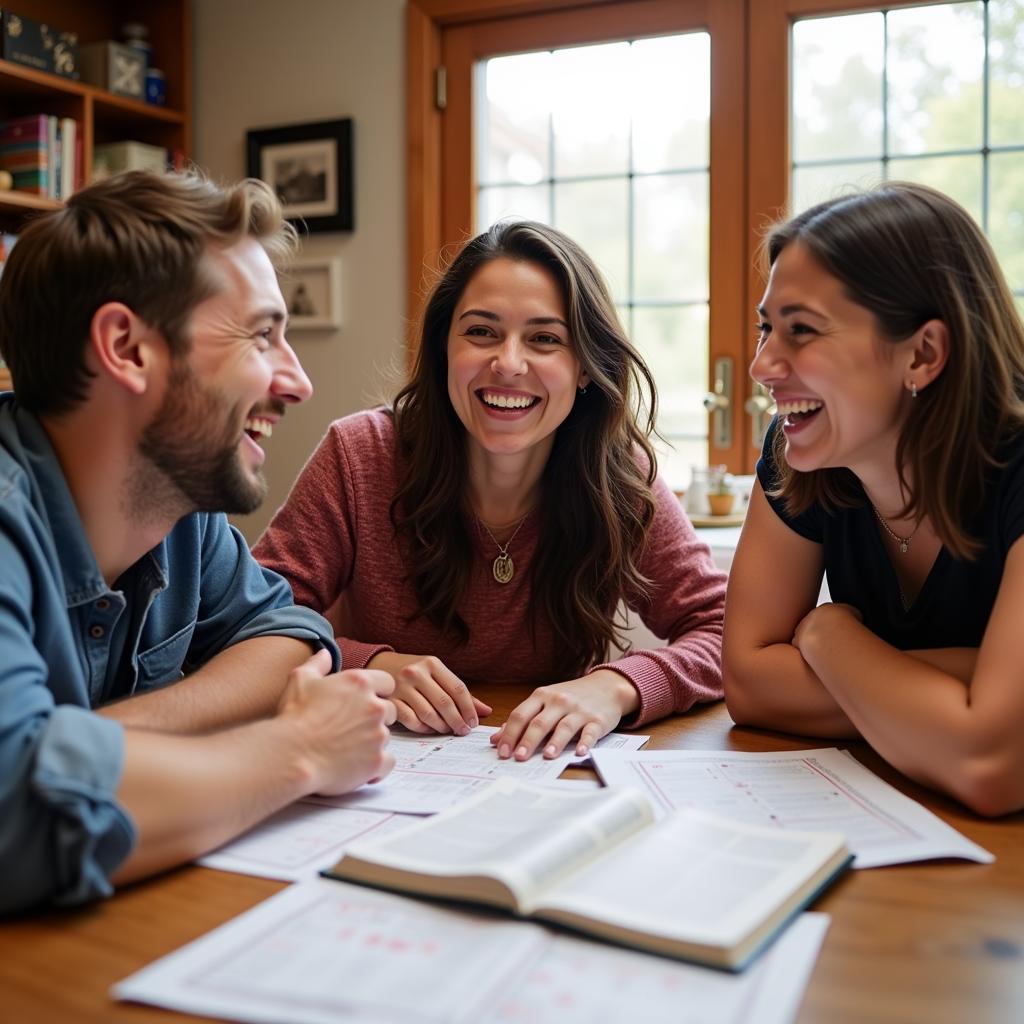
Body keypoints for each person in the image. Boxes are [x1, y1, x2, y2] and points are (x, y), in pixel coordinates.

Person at [0, 170, 395, 916]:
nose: (300, 381)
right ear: (127, 347)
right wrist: (300, 751)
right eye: (262, 334)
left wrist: (104, 735)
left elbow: (290, 632)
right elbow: (15, 809)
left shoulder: (179, 507)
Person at [255, 220, 725, 762]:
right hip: (374, 764)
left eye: (546, 339)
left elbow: (720, 630)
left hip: (541, 769)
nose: (508, 363)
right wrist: (373, 664)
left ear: (585, 370)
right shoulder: (359, 453)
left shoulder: (618, 475)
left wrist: (618, 686)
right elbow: (254, 625)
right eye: (481, 332)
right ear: (442, 348)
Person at [723, 181, 1024, 817]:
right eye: (765, 329)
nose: (761, 366)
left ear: (923, 353)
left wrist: (828, 635)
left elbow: (991, 766)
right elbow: (748, 686)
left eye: (801, 330)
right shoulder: (802, 453)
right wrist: (958, 696)